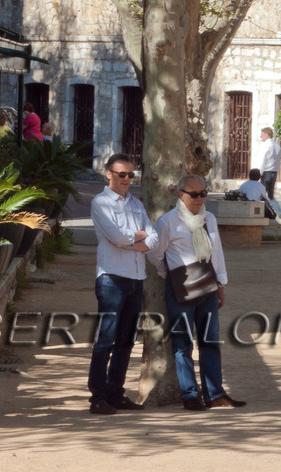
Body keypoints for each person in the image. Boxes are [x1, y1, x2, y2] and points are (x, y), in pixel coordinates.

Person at [147, 175, 244, 410]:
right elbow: (155, 254)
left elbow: (216, 253)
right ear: (181, 195)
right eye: (194, 194)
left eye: (203, 194)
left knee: (210, 341)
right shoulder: (168, 222)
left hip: (208, 288)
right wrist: (169, 275)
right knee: (182, 344)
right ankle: (190, 395)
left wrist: (220, 285)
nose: (199, 199)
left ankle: (215, 394)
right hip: (180, 291)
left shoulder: (209, 219)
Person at [88, 153, 156, 415]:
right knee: (106, 340)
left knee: (126, 341)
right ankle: (98, 397)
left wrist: (133, 241)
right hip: (112, 278)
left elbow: (154, 237)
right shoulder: (101, 202)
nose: (127, 179)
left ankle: (116, 393)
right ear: (109, 174)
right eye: (122, 174)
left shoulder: (136, 204)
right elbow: (117, 237)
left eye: (131, 175)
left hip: (136, 279)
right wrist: (138, 238)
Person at [253, 126, 281, 217]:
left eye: (262, 134)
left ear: (267, 135)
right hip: (273, 172)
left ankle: (265, 213)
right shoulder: (277, 146)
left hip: (265, 172)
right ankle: (279, 212)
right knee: (270, 195)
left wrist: (259, 174)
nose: (261, 136)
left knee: (261, 194)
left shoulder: (265, 145)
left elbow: (262, 161)